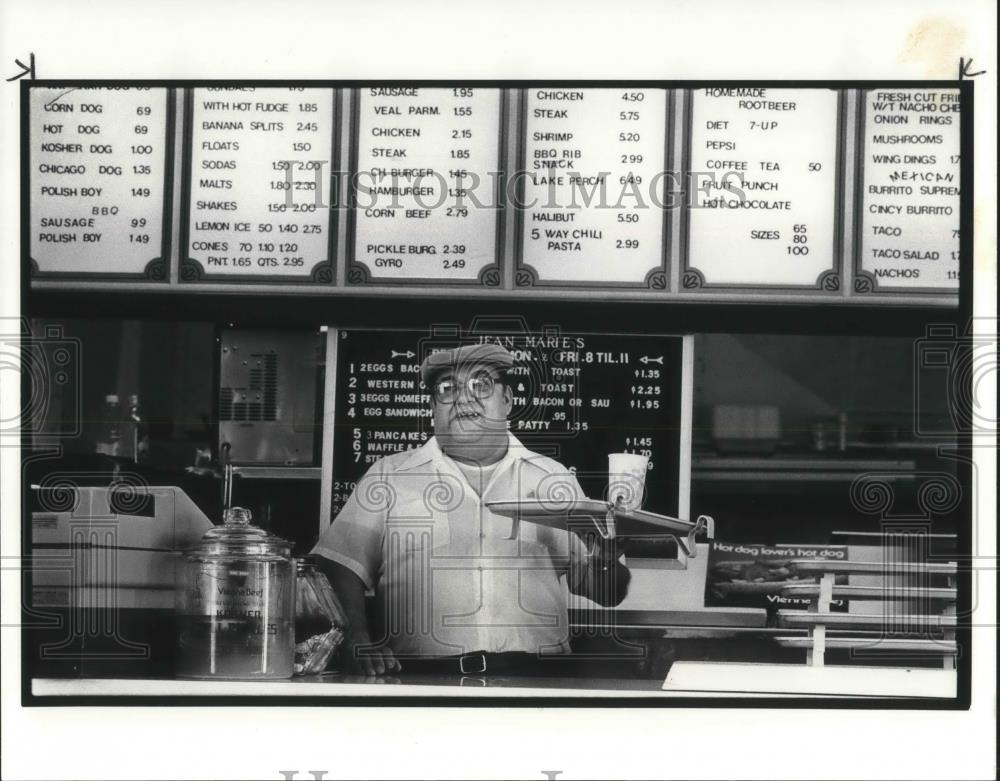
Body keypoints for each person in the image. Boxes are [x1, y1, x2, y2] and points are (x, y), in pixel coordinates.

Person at [311, 343, 631, 675]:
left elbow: (608, 593)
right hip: (421, 680)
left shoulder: (553, 478)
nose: (464, 398)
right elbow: (339, 564)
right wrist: (355, 636)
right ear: (432, 407)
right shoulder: (390, 475)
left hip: (537, 679)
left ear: (506, 400)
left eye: (481, 385)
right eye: (447, 389)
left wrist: (605, 562)